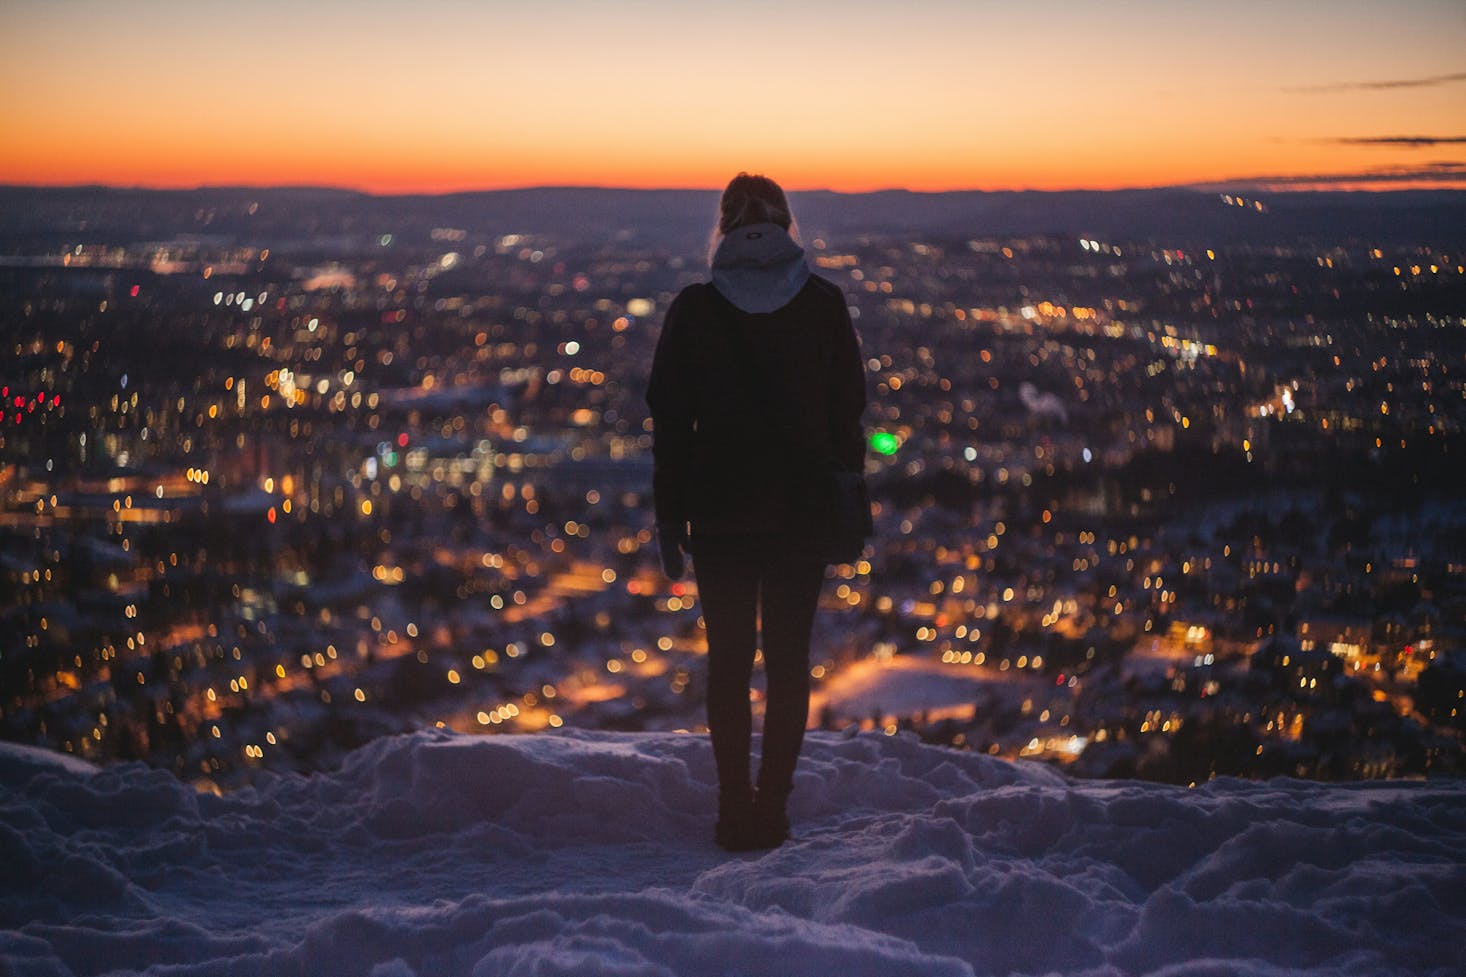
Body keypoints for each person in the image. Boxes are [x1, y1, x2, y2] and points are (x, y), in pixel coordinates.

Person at [645, 173, 866, 851]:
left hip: (720, 513)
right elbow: (847, 416)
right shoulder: (824, 305)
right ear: (788, 225)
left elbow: (671, 423)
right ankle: (771, 806)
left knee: (731, 663)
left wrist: (669, 520)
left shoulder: (695, 310)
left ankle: (732, 806)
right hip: (801, 512)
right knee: (789, 662)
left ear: (725, 229)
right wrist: (845, 502)